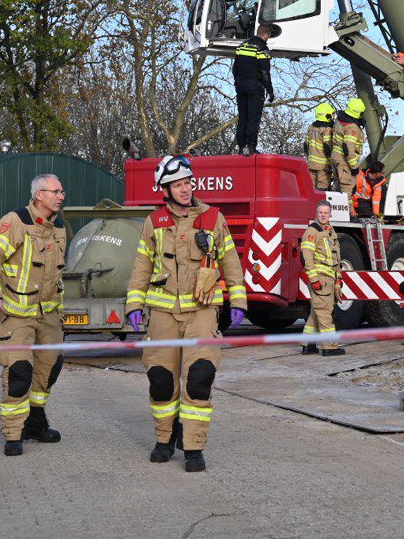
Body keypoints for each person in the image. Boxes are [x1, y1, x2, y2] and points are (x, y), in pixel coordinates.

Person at [125, 155, 248, 472]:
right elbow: (141, 267)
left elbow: (231, 262)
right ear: (164, 189)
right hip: (163, 315)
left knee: (199, 379)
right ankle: (164, 441)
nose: (185, 189)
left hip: (202, 313)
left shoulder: (213, 219)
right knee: (161, 381)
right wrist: (134, 305)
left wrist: (238, 301)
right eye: (178, 184)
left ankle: (193, 448)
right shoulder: (154, 223)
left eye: (188, 183)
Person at [0, 174, 69, 456]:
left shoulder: (59, 228)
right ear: (38, 194)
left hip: (49, 314)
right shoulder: (15, 221)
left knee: (48, 368)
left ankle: (35, 420)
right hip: (15, 314)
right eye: (55, 191)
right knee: (19, 372)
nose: (61, 196)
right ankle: (13, 433)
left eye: (62, 191)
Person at [300, 200, 344, 356]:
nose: (323, 215)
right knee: (325, 312)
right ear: (316, 214)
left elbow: (336, 258)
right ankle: (330, 346)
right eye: (320, 212)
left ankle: (308, 344)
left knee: (316, 311)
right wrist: (314, 280)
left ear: (330, 214)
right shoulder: (312, 232)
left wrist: (338, 279)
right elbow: (306, 258)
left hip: (330, 279)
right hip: (320, 279)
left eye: (326, 213)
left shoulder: (330, 230)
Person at [232, 23, 276, 155]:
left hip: (240, 86)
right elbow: (264, 72)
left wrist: (237, 81)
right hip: (255, 87)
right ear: (266, 35)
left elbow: (235, 68)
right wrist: (270, 90)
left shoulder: (242, 46)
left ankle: (241, 147)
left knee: (243, 116)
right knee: (253, 117)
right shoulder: (262, 48)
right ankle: (251, 147)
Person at [330, 98, 366, 195]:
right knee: (347, 190)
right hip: (345, 161)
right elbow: (348, 147)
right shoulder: (352, 127)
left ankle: (337, 209)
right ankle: (348, 210)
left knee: (338, 189)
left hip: (335, 157)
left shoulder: (338, 121)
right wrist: (354, 166)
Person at [304, 102, 335, 191]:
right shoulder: (327, 129)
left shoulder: (311, 128)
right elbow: (327, 147)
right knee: (322, 190)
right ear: (327, 115)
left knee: (310, 189)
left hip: (310, 164)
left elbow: (306, 145)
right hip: (323, 166)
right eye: (332, 114)